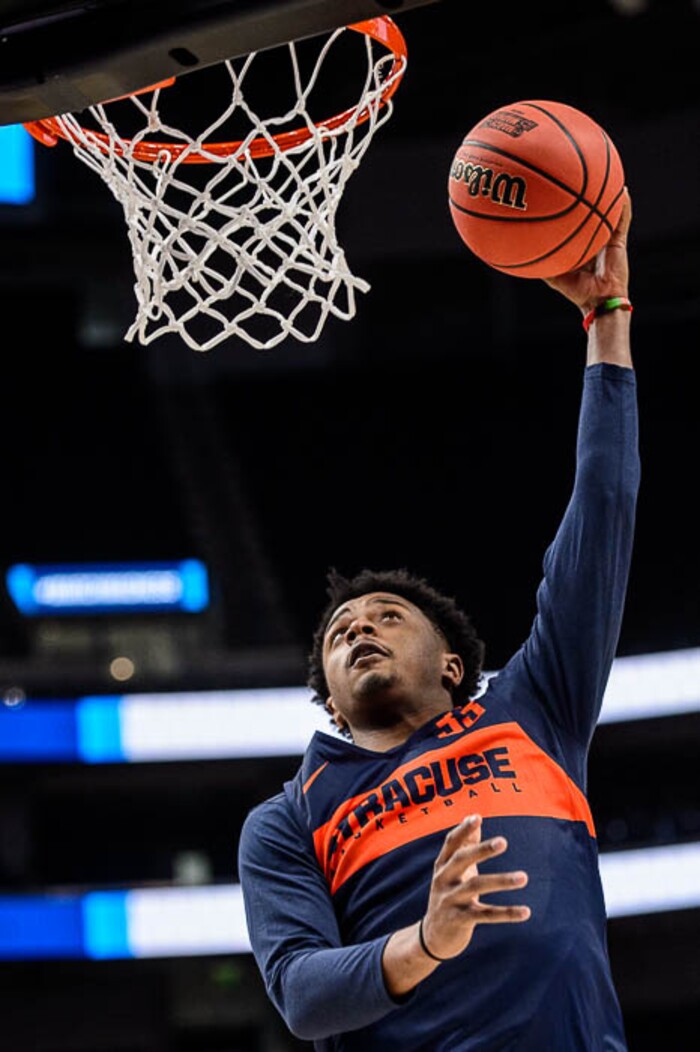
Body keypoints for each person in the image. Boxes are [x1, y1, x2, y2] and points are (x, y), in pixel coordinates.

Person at [238, 191, 638, 1051]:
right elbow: (303, 996)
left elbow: (603, 509)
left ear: (453, 666)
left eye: (386, 614)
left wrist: (608, 319)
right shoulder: (288, 819)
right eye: (340, 630)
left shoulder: (535, 711)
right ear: (333, 704)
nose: (356, 628)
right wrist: (425, 943)